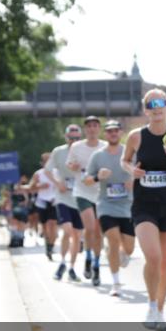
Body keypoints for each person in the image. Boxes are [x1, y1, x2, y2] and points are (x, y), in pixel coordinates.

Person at [122, 90, 166, 330]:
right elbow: (125, 160)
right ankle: (151, 305)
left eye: (161, 103)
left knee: (164, 263)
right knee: (153, 256)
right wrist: (132, 171)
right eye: (151, 104)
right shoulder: (136, 136)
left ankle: (160, 311)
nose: (157, 107)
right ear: (146, 110)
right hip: (144, 204)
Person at [87, 120, 136, 296]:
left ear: (121, 133)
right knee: (113, 239)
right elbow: (86, 180)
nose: (113, 133)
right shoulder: (98, 156)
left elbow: (141, 171)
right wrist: (98, 177)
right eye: (109, 131)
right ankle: (116, 283)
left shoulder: (130, 152)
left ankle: (122, 254)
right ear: (105, 134)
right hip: (106, 204)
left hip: (128, 205)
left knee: (129, 248)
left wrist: (134, 180)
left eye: (116, 130)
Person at [68, 115, 106, 282]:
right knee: (90, 227)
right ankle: (88, 257)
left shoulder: (105, 147)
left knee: (98, 232)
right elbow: (70, 165)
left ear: (99, 129)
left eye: (94, 126)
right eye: (89, 126)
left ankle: (95, 264)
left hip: (102, 194)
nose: (91, 129)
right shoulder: (76, 147)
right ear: (85, 129)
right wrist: (73, 166)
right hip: (82, 192)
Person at [47, 124, 84, 282]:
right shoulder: (58, 151)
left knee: (76, 235)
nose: (73, 141)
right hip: (63, 196)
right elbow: (47, 170)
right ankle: (62, 261)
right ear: (66, 137)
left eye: (77, 138)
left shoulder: (86, 150)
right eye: (71, 138)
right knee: (67, 230)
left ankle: (71, 267)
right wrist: (57, 183)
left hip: (81, 197)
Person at [30, 152, 59, 260]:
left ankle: (51, 246)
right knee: (46, 226)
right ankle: (48, 244)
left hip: (54, 201)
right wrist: (39, 186)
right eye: (45, 161)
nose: (48, 163)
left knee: (53, 224)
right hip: (42, 202)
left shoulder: (58, 172)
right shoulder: (38, 174)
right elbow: (31, 187)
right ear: (42, 163)